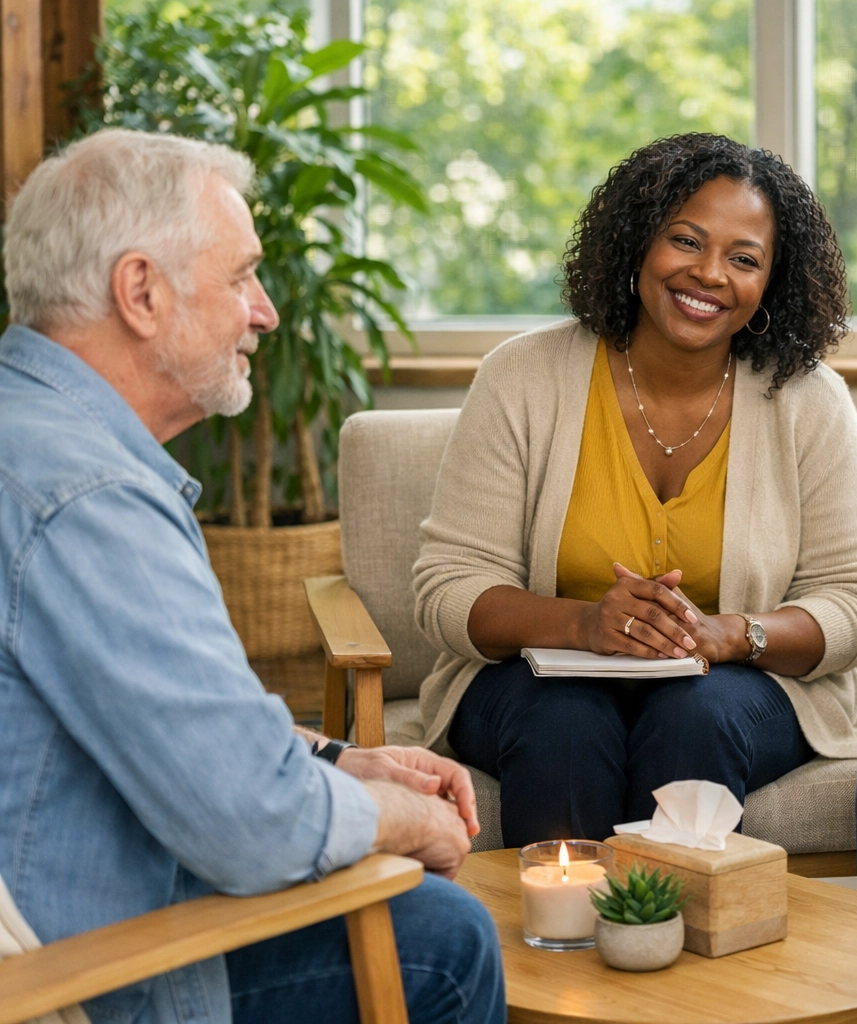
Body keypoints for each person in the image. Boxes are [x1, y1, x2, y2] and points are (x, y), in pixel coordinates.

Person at [0, 129, 504, 1024]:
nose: (265, 311)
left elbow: (164, 724)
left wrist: (346, 760)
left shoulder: (30, 435)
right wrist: (398, 816)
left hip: (74, 905)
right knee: (446, 940)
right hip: (87, 973)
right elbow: (250, 825)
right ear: (141, 292)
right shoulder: (89, 500)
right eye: (241, 277)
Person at [412, 132, 857, 849]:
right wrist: (582, 626)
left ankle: (673, 942)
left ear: (771, 282)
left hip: (736, 690)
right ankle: (561, 947)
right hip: (534, 686)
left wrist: (734, 635)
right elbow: (447, 589)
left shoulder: (810, 402)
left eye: (744, 258)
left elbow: (855, 602)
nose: (710, 274)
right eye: (686, 241)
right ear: (637, 243)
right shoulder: (522, 377)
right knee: (567, 720)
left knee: (694, 714)